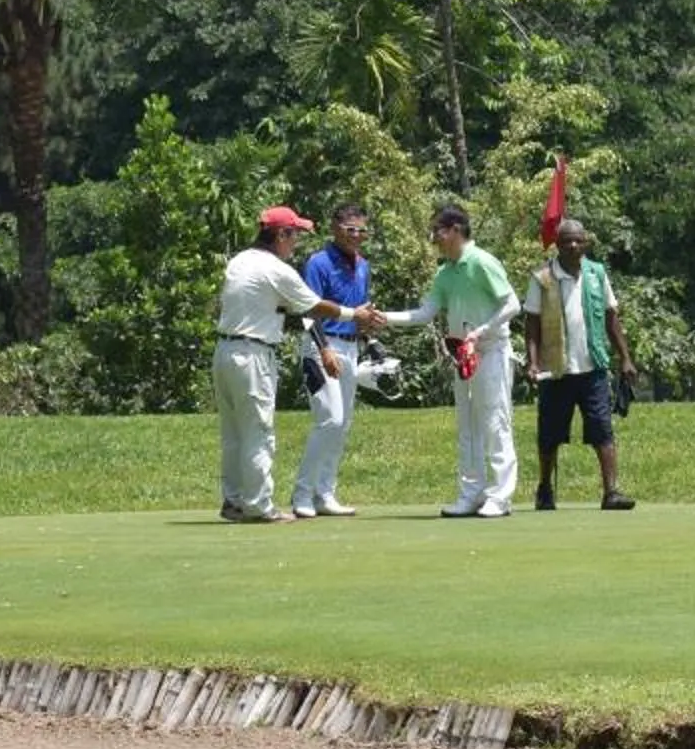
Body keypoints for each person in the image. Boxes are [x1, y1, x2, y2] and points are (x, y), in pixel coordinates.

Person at [214, 206, 380, 523]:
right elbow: (312, 306)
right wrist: (352, 315)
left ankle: (234, 501)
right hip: (253, 352)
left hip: (225, 351)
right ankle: (260, 506)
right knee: (259, 432)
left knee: (234, 434)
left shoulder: (241, 260)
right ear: (281, 234)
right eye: (295, 235)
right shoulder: (277, 269)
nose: (297, 243)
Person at [374, 204, 521, 518]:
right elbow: (424, 313)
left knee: (495, 423)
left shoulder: (481, 261)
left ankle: (501, 496)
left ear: (455, 230)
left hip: (491, 351)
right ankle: (472, 494)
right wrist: (383, 318)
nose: (434, 239)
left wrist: (482, 331)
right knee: (467, 425)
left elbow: (512, 304)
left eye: (438, 231)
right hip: (462, 356)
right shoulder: (445, 272)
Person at [521, 217, 637, 511]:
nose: (573, 245)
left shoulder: (597, 274)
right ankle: (545, 489)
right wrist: (532, 363)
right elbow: (531, 324)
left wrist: (625, 358)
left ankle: (611, 491)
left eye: (578, 240)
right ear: (557, 245)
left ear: (586, 243)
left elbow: (612, 318)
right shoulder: (542, 277)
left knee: (602, 428)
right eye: (566, 241)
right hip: (555, 369)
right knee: (549, 434)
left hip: (592, 366)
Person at [287, 203, 374, 519]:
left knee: (342, 424)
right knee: (329, 420)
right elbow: (308, 312)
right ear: (335, 229)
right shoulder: (318, 263)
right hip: (321, 347)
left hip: (351, 349)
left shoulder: (362, 265)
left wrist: (371, 339)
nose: (356, 235)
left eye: (362, 229)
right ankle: (302, 494)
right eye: (350, 229)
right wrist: (324, 350)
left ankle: (325, 493)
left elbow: (359, 313)